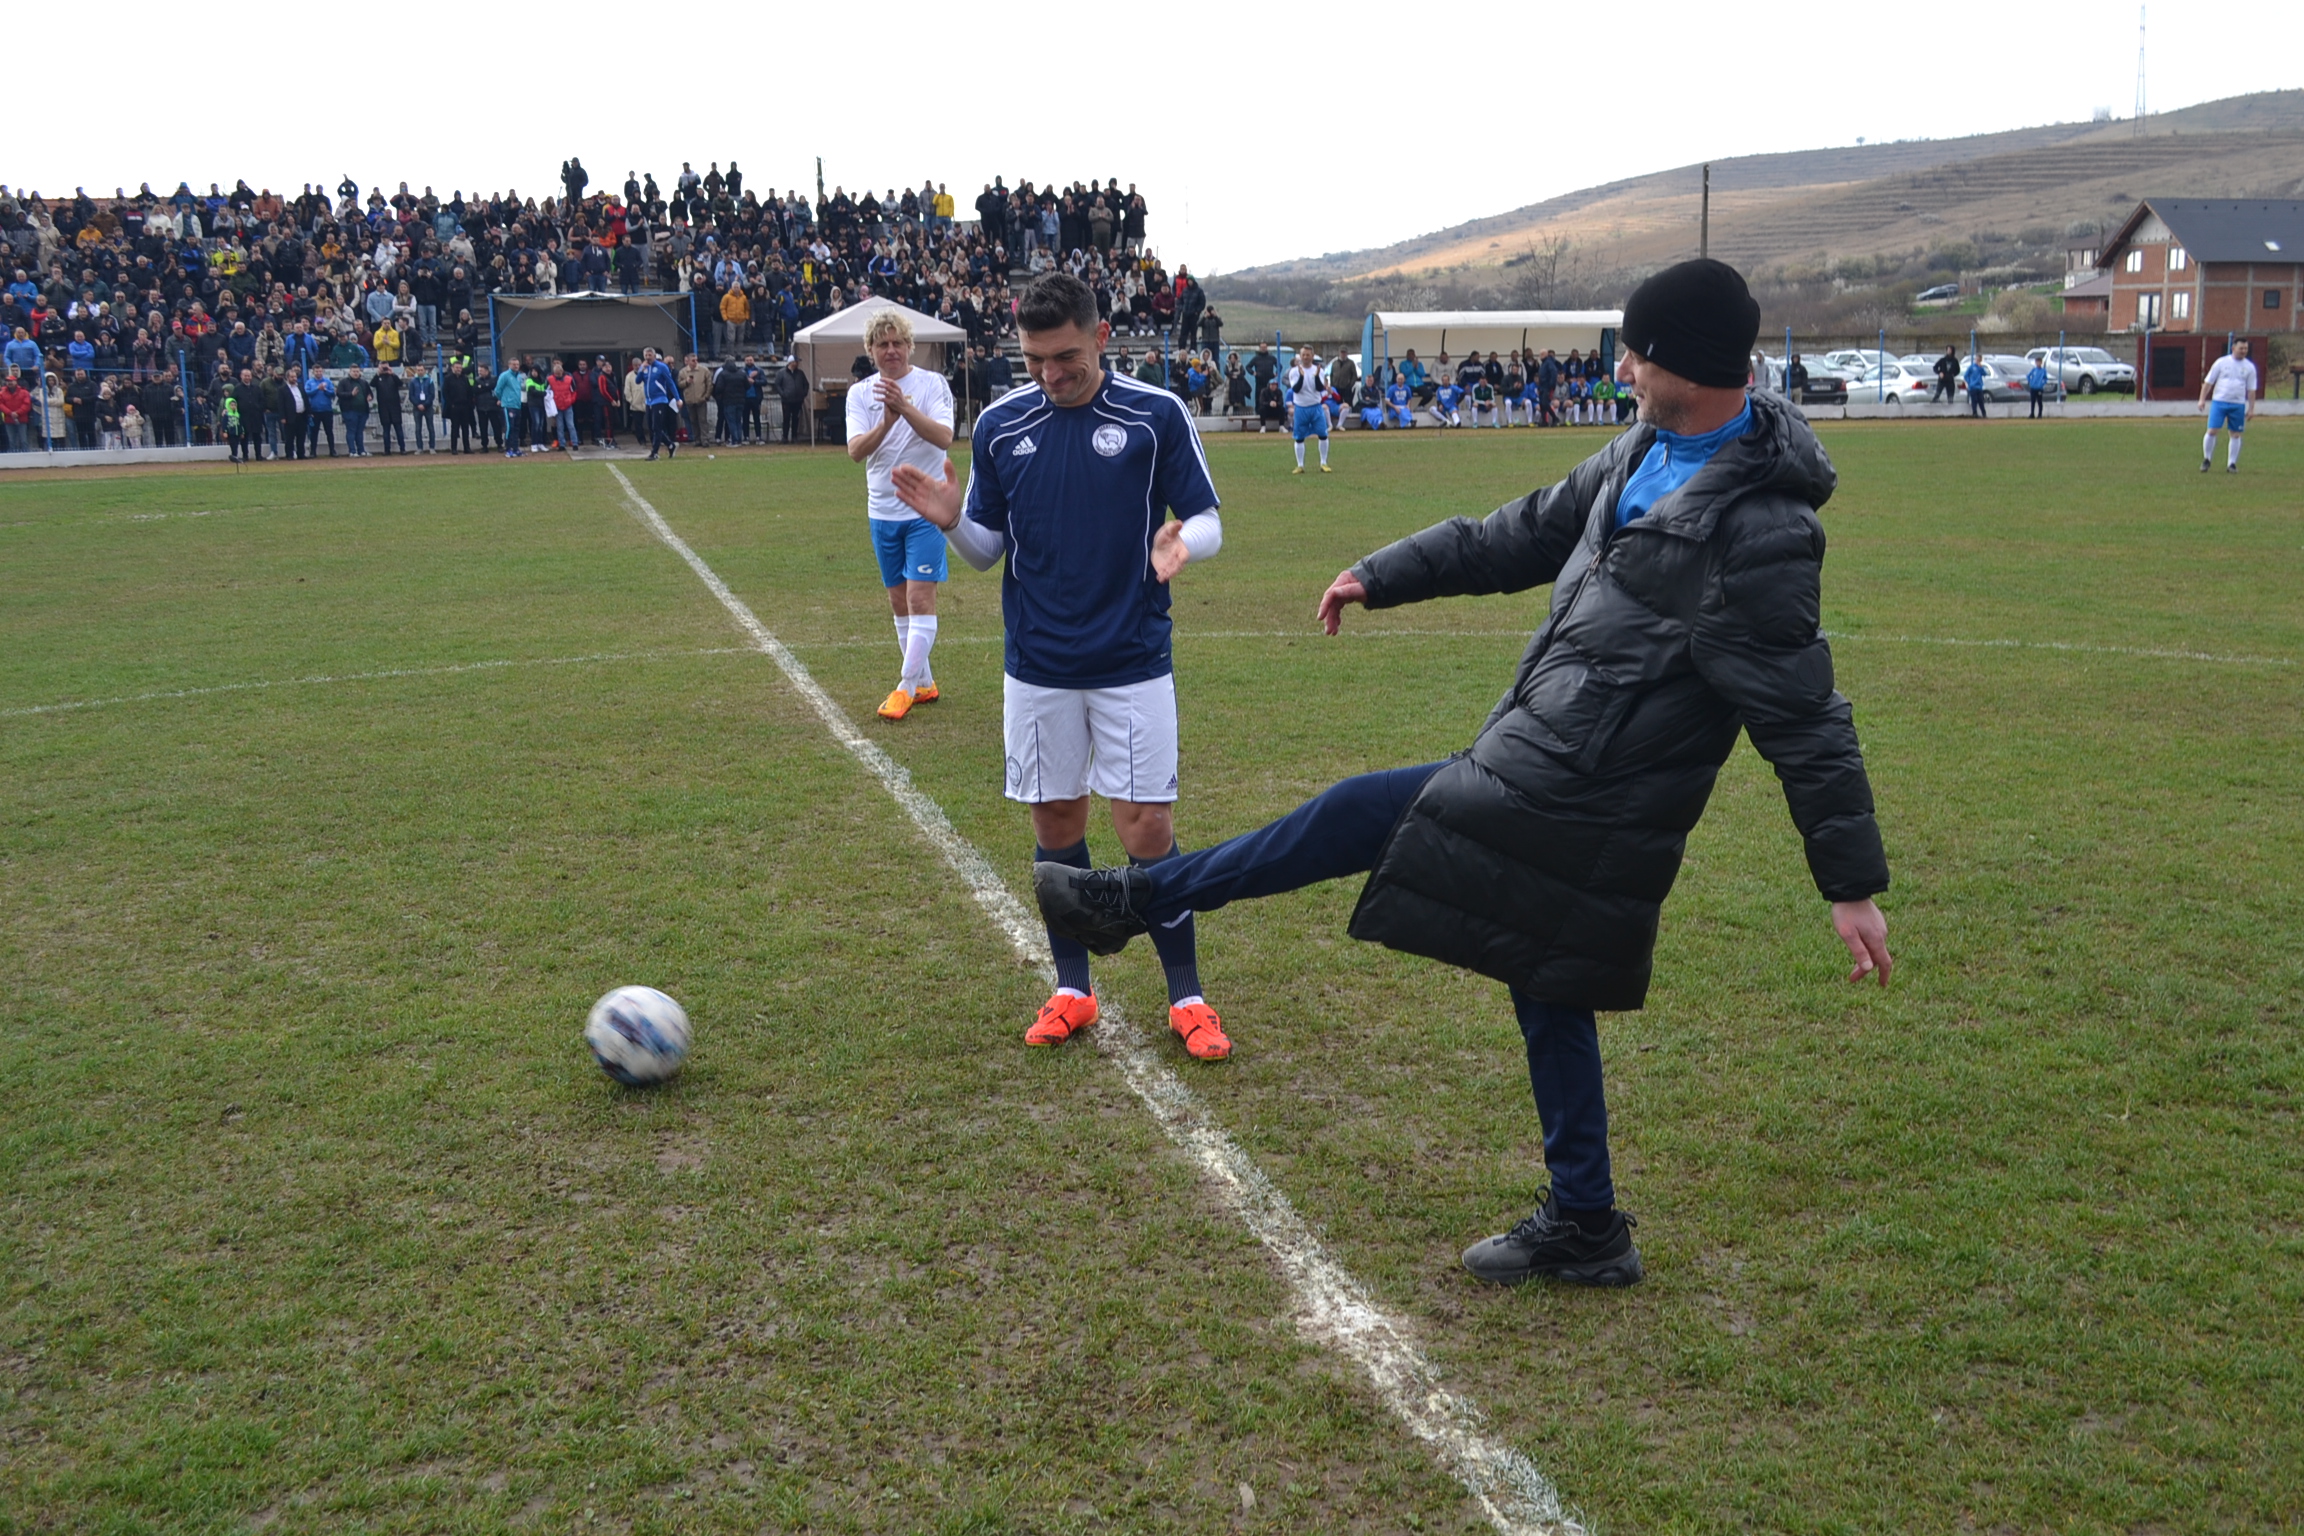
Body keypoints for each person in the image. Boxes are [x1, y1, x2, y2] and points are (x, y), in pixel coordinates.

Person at [1029, 259, 1892, 1287]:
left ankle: (1135, 897)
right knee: (1547, 981)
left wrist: (1850, 883)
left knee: (1359, 813)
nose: (1621, 366)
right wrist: (1385, 573)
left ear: (1694, 368)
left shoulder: (1762, 531)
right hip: (1548, 752)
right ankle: (1588, 1226)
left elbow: (1803, 712)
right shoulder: (1644, 447)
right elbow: (1522, 531)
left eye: (1638, 353)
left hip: (1590, 794)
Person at [891, 272, 1231, 1062]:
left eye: (1066, 356)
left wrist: (1186, 542)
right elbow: (985, 550)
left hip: (1134, 658)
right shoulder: (1005, 426)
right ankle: (1074, 991)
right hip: (1038, 663)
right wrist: (950, 523)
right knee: (1056, 822)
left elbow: (1208, 515)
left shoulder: (1155, 417)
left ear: (1102, 337)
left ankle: (1187, 996)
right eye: (1036, 359)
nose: (1051, 373)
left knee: (1146, 826)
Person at [843, 310, 958, 721]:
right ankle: (924, 682)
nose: (890, 350)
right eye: (882, 344)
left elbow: (945, 436)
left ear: (910, 346)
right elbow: (856, 451)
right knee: (898, 602)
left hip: (926, 509)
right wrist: (888, 421)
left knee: (919, 597)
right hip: (882, 510)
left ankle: (905, 686)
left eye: (897, 343)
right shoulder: (860, 394)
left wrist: (904, 410)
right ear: (871, 350)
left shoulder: (932, 385)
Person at [2198, 339, 2256, 473]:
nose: (2244, 351)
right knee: (2212, 430)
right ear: (2233, 348)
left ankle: (2232, 464)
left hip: (2238, 404)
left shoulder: (2249, 367)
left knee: (2235, 434)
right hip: (2219, 402)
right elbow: (2208, 382)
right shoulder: (2221, 362)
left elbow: (2251, 390)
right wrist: (2202, 399)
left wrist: (2251, 408)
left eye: (2246, 349)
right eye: (2241, 348)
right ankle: (2207, 459)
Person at [1283, 345, 1330, 473]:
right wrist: (1302, 376)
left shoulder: (1319, 370)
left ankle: (1323, 463)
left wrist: (1315, 376)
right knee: (1299, 437)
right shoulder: (1294, 371)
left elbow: (1320, 388)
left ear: (1312, 356)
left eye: (1308, 355)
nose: (1305, 357)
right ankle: (1300, 465)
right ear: (1300, 356)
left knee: (1323, 435)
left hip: (1316, 407)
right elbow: (1296, 389)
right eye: (1303, 355)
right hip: (1301, 408)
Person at [638, 347, 680, 459]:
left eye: (649, 355)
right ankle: (670, 445)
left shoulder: (662, 367)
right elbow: (638, 381)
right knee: (652, 428)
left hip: (660, 399)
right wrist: (642, 369)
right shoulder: (644, 367)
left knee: (657, 427)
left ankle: (655, 453)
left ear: (654, 356)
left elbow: (670, 383)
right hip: (649, 401)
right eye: (646, 355)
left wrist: (677, 398)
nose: (648, 357)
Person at [493, 359, 527, 458]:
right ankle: (508, 449)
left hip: (517, 405)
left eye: (517, 364)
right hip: (508, 405)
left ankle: (516, 449)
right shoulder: (504, 375)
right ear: (509, 365)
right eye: (514, 364)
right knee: (509, 428)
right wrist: (502, 399)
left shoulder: (520, 376)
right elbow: (497, 390)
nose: (516, 366)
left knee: (516, 428)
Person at [775, 354, 810, 443]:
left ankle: (794, 436)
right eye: (796, 362)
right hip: (787, 400)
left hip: (798, 400)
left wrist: (803, 394)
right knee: (786, 419)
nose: (797, 363)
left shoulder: (800, 373)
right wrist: (783, 394)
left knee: (796, 419)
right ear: (791, 362)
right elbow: (777, 385)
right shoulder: (781, 373)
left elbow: (806, 384)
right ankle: (785, 437)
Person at [338, 366, 373, 456]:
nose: (356, 373)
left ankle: (361, 450)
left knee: (360, 431)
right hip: (349, 410)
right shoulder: (343, 382)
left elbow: (369, 393)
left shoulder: (363, 382)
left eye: (357, 371)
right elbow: (339, 394)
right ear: (350, 372)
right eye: (354, 371)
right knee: (351, 430)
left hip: (363, 411)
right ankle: (352, 451)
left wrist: (369, 397)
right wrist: (351, 394)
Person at [1961, 354, 1988, 419]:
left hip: (1979, 386)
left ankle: (1984, 414)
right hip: (1972, 387)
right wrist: (1970, 382)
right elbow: (1965, 376)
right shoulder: (1971, 367)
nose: (1978, 361)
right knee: (1974, 400)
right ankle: (1974, 413)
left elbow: (1985, 373)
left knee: (1981, 401)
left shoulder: (1981, 367)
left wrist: (1981, 368)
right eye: (1977, 359)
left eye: (1979, 360)